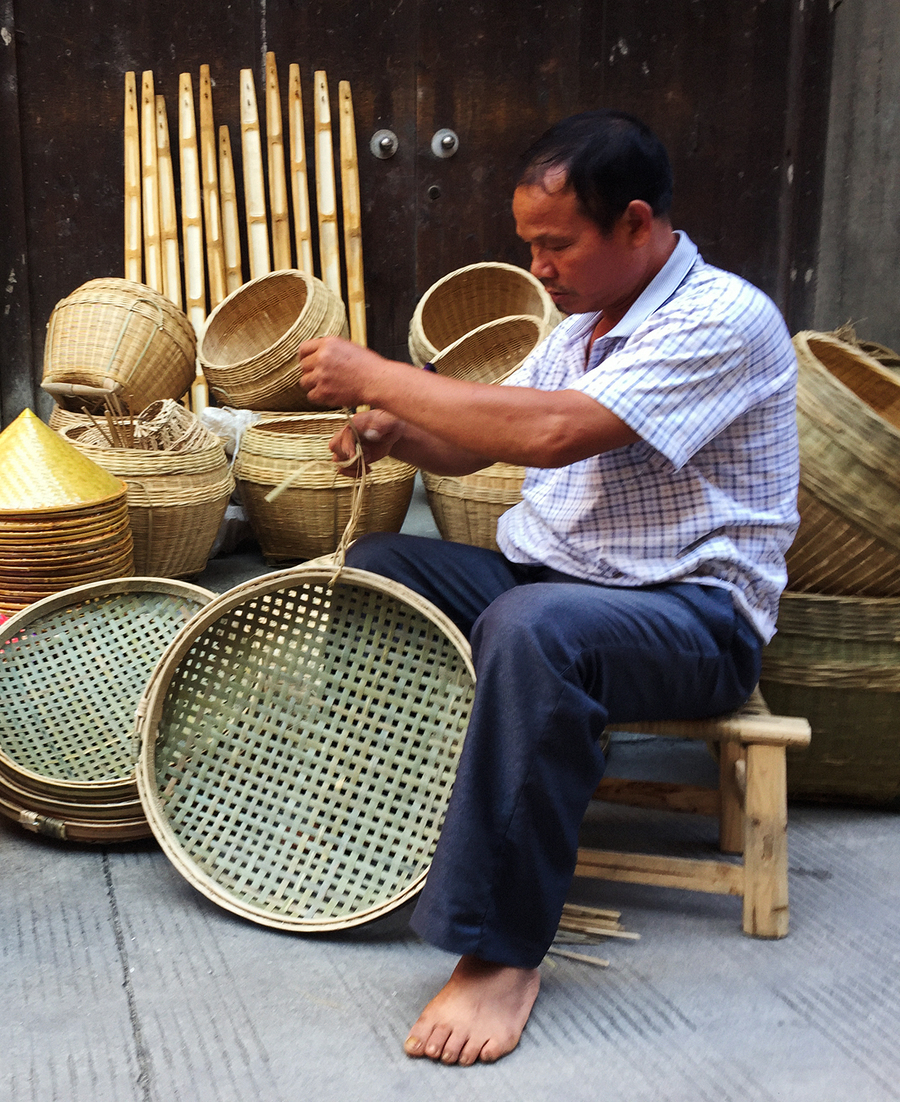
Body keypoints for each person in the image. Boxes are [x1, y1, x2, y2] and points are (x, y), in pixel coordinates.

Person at [295, 109, 799, 1067]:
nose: (538, 267)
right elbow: (489, 435)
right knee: (375, 573)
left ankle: (499, 946)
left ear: (637, 224)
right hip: (560, 578)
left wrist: (383, 374)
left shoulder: (723, 318)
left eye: (556, 244)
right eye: (529, 244)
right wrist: (399, 428)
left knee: (534, 629)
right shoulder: (580, 329)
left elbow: (552, 433)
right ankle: (378, 826)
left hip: (692, 618)